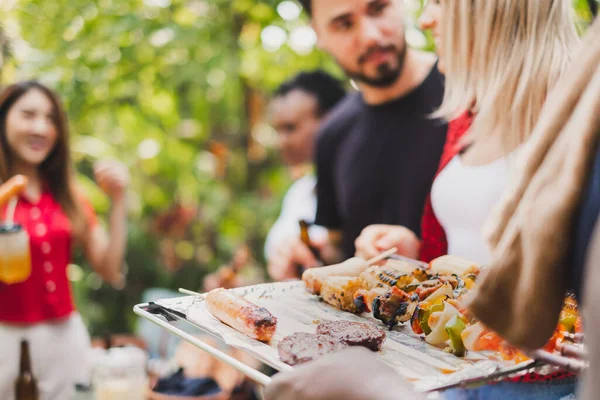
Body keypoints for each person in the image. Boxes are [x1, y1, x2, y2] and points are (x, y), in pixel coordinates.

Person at [268, 0, 448, 280]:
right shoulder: (332, 135)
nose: (371, 36)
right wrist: (305, 256)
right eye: (344, 24)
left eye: (378, 9)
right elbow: (340, 250)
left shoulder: (465, 93)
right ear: (318, 34)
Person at [0, 81, 129, 399]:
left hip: (65, 341)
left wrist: (119, 200)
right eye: (28, 115)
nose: (41, 128)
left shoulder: (69, 195)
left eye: (51, 119)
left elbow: (110, 271)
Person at [264, 71, 346, 281]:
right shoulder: (300, 191)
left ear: (332, 120)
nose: (281, 141)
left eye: (290, 128)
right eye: (278, 130)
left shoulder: (356, 189)